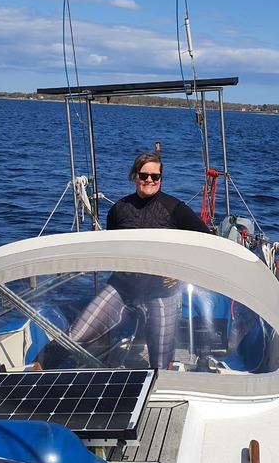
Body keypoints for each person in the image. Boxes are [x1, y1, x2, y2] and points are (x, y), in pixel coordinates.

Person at [44, 152, 210, 370]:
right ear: (134, 176)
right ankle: (33, 372)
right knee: (74, 336)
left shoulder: (175, 209)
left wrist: (179, 271)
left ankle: (159, 391)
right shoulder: (118, 209)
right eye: (144, 175)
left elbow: (207, 241)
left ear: (161, 178)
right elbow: (114, 246)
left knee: (161, 360)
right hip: (121, 288)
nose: (149, 180)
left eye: (155, 176)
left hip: (162, 292)